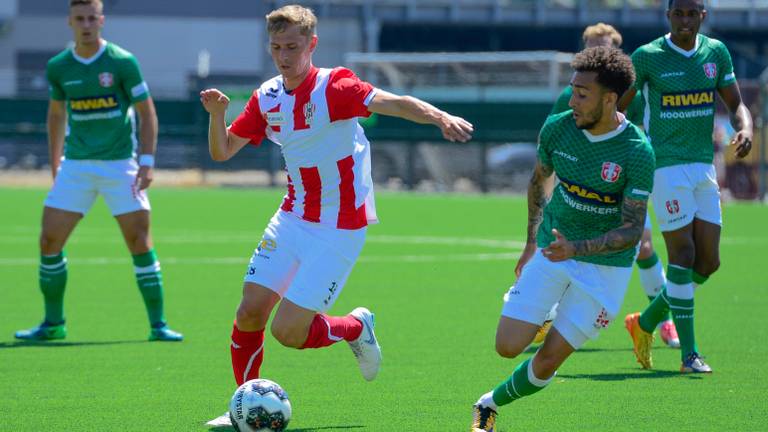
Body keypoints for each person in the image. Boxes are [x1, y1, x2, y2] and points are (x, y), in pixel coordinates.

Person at [201, 5, 473, 427]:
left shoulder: (335, 86)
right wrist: (218, 116)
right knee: (249, 311)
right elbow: (222, 151)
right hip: (292, 217)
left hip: (339, 228)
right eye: (276, 47)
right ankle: (241, 405)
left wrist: (439, 117)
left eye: (292, 46)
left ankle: (354, 327)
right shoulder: (267, 96)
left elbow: (394, 103)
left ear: (312, 44)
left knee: (288, 332)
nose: (283, 56)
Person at [471, 46, 654, 431]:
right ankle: (547, 312)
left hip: (606, 269)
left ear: (609, 99)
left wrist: (580, 249)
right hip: (555, 251)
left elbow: (632, 231)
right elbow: (539, 180)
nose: (572, 101)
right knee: (506, 346)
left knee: (548, 362)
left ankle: (488, 404)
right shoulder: (558, 129)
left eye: (582, 94)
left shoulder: (637, 151)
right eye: (572, 90)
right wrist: (530, 244)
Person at [14, 0, 182, 342]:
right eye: (80, 19)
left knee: (139, 241)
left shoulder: (122, 62)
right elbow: (56, 116)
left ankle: (158, 325)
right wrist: (55, 163)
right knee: (49, 241)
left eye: (92, 18)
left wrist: (147, 162)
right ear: (70, 22)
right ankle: (53, 324)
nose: (87, 24)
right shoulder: (59, 67)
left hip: (121, 165)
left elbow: (147, 113)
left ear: (101, 20)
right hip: (76, 166)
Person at [621, 0, 753, 374]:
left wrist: (746, 128)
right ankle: (689, 355)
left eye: (691, 13)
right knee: (683, 255)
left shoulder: (715, 53)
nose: (684, 20)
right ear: (668, 16)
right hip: (664, 168)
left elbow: (737, 104)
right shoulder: (647, 56)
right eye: (677, 13)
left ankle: (644, 322)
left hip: (702, 168)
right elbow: (622, 108)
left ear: (702, 16)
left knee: (708, 262)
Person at [544, 22, 679, 349]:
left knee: (643, 244)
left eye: (605, 47)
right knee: (565, 246)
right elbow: (553, 140)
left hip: (621, 183)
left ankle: (663, 321)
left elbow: (642, 131)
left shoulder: (629, 93)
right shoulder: (570, 96)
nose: (599, 53)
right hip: (583, 190)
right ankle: (551, 314)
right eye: (591, 47)